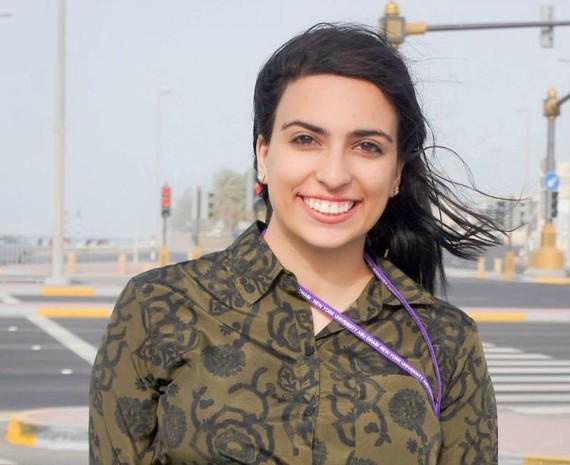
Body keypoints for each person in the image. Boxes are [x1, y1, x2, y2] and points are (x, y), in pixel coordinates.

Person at [89, 23, 501, 465]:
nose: (334, 174)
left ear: (396, 173)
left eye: (367, 146)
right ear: (264, 155)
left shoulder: (445, 341)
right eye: (306, 140)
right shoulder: (159, 306)